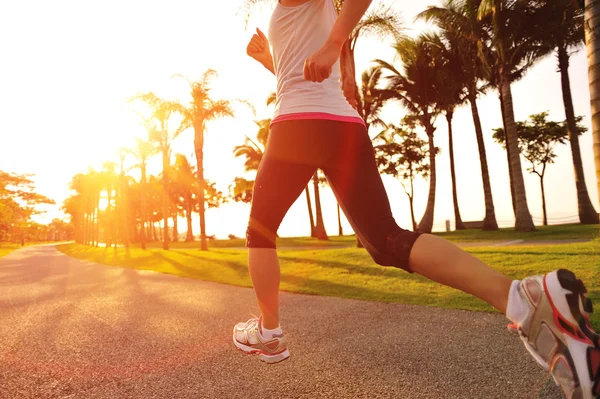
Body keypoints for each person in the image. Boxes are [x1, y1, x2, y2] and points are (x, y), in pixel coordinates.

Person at [232, 0, 599, 397]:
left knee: (260, 230)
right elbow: (300, 77)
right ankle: (523, 300)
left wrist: (334, 44)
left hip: (297, 126)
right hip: (339, 125)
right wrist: (272, 59)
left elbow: (318, 65)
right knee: (387, 240)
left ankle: (268, 333)